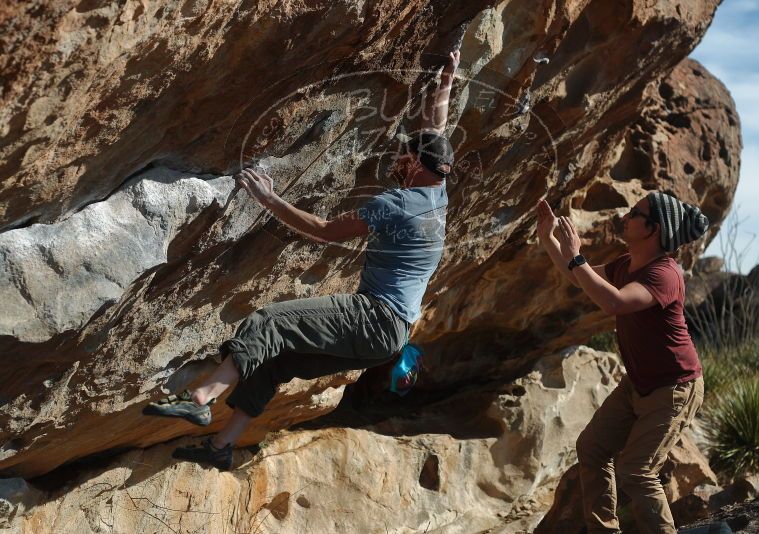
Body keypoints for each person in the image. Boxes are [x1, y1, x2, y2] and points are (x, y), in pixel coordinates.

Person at [142, 50, 461, 470]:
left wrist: (269, 199)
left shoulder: (398, 203)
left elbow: (325, 230)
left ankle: (200, 399)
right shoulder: (437, 193)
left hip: (375, 318)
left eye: (406, 156)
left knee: (269, 322)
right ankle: (222, 446)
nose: (400, 160)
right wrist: (446, 82)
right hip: (390, 338)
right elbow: (434, 129)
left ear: (419, 164)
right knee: (276, 358)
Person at [536, 192, 709, 534]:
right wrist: (549, 239)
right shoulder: (625, 263)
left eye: (636, 213)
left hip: (674, 388)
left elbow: (613, 303)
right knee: (592, 448)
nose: (627, 215)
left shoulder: (665, 274)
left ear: (653, 229)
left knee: (636, 470)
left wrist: (576, 255)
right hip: (638, 383)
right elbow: (580, 278)